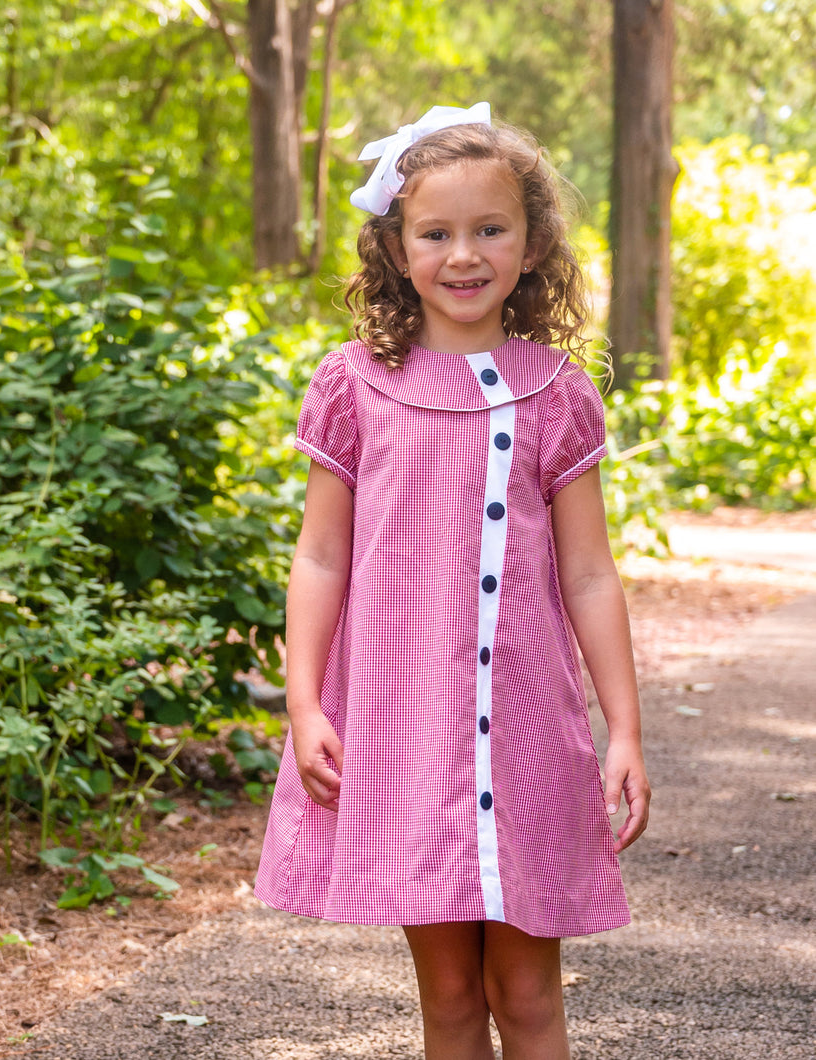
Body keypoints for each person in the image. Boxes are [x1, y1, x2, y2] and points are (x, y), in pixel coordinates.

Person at [253, 103, 651, 1059]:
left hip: (527, 733)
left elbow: (590, 575)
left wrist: (625, 728)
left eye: (490, 230)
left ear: (530, 242)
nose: (463, 255)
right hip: (406, 734)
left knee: (530, 998)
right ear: (397, 247)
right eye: (436, 233)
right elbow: (320, 558)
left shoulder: (557, 390)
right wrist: (304, 705)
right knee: (450, 1000)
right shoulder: (353, 385)